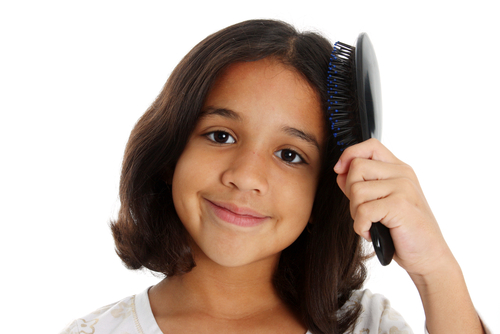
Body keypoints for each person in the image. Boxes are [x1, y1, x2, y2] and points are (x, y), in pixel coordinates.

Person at [60, 19, 488, 334]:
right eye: (221, 135)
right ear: (172, 153)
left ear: (325, 192)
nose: (246, 177)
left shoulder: (367, 327)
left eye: (290, 155)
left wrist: (436, 271)